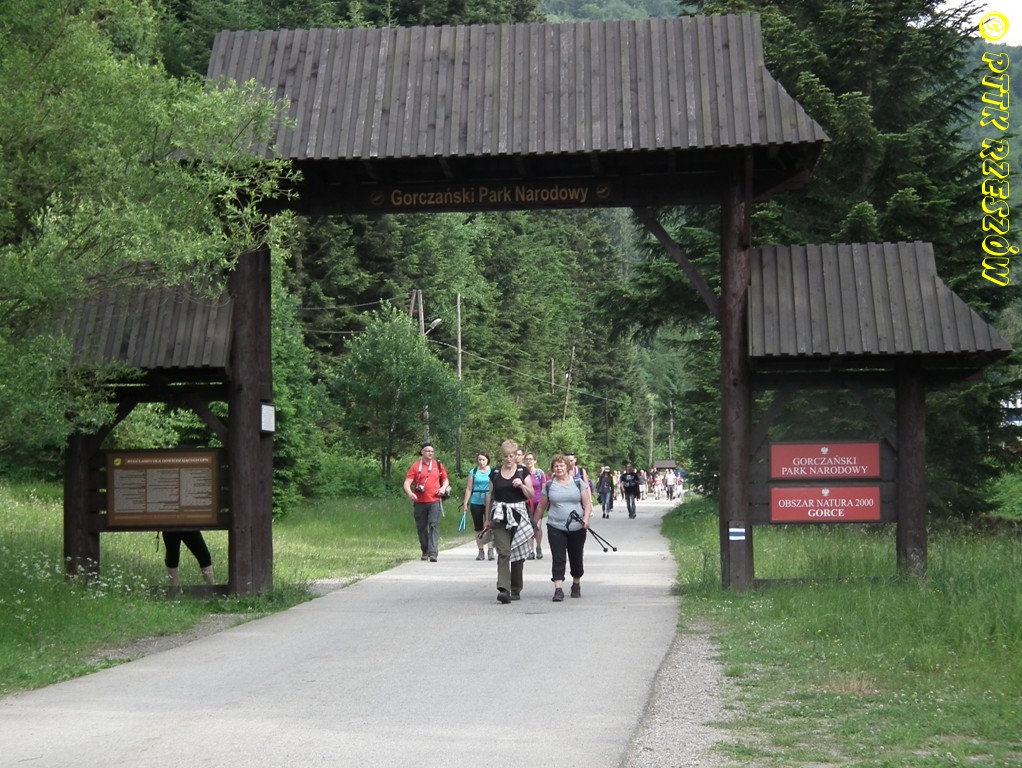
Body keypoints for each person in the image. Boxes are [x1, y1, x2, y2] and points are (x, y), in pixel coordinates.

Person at [536, 453, 593, 602]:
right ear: (552, 469)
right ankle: (558, 589)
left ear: (567, 467)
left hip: (577, 527)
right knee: (558, 557)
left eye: (561, 465)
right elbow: (541, 506)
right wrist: (535, 523)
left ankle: (576, 583)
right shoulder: (549, 486)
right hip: (555, 526)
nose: (559, 468)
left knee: (576, 556)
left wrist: (586, 519)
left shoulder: (578, 483)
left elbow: (587, 503)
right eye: (556, 466)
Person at [482, 439, 534, 604]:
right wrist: (487, 519)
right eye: (506, 456)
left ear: (516, 456)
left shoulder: (523, 471)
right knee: (504, 552)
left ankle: (516, 588)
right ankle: (504, 589)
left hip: (518, 514)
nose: (509, 459)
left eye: (511, 456)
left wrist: (522, 486)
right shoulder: (495, 472)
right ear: (502, 456)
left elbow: (531, 494)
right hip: (499, 515)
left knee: (517, 553)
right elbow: (489, 495)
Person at [402, 442, 450, 562]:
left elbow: (445, 480)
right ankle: (425, 550)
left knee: (434, 524)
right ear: (422, 452)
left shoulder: (438, 465)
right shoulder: (415, 466)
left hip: (435, 500)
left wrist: (443, 488)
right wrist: (410, 493)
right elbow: (407, 483)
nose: (430, 453)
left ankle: (433, 553)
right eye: (428, 451)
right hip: (420, 502)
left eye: (432, 451)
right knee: (421, 527)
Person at [461, 452, 494, 561]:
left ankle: (490, 550)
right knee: (478, 526)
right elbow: (469, 488)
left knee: (489, 525)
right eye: (479, 460)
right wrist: (465, 503)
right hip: (476, 500)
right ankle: (480, 550)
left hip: (489, 500)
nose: (481, 462)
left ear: (487, 460)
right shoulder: (473, 472)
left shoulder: (492, 471)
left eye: (483, 460)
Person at [524, 451, 547, 559]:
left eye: (531, 459)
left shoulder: (539, 473)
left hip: (538, 503)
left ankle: (538, 546)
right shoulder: (523, 473)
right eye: (527, 459)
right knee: (529, 526)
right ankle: (530, 550)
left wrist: (544, 501)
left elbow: (544, 488)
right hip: (527, 503)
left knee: (537, 526)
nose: (529, 461)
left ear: (535, 461)